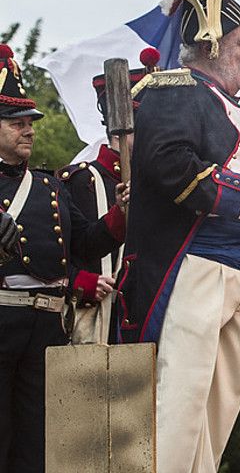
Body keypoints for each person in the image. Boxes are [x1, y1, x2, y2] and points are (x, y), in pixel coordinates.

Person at [120, 0, 240, 473]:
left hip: (234, 275)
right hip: (192, 271)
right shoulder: (174, 90)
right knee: (176, 411)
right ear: (212, 42)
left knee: (215, 419)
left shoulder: (225, 107)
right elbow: (167, 164)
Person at [0, 44, 126, 472]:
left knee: (39, 440)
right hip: (3, 317)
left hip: (49, 323)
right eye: (16, 123)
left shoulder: (48, 186)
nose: (29, 131)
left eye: (30, 123)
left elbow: (87, 245)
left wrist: (121, 216)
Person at [58, 47, 160, 345]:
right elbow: (64, 248)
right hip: (99, 316)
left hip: (149, 312)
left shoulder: (159, 183)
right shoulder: (81, 181)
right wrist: (79, 281)